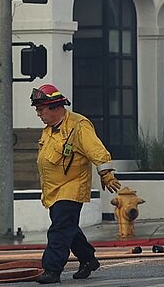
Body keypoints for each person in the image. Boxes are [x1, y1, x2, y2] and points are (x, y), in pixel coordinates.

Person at [32, 83, 122, 284]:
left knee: (59, 229)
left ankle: (52, 269)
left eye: (41, 109)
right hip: (54, 190)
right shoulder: (49, 130)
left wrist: (106, 173)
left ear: (55, 107)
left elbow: (96, 150)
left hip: (71, 188)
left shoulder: (78, 126)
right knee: (68, 228)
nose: (38, 114)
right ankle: (88, 259)